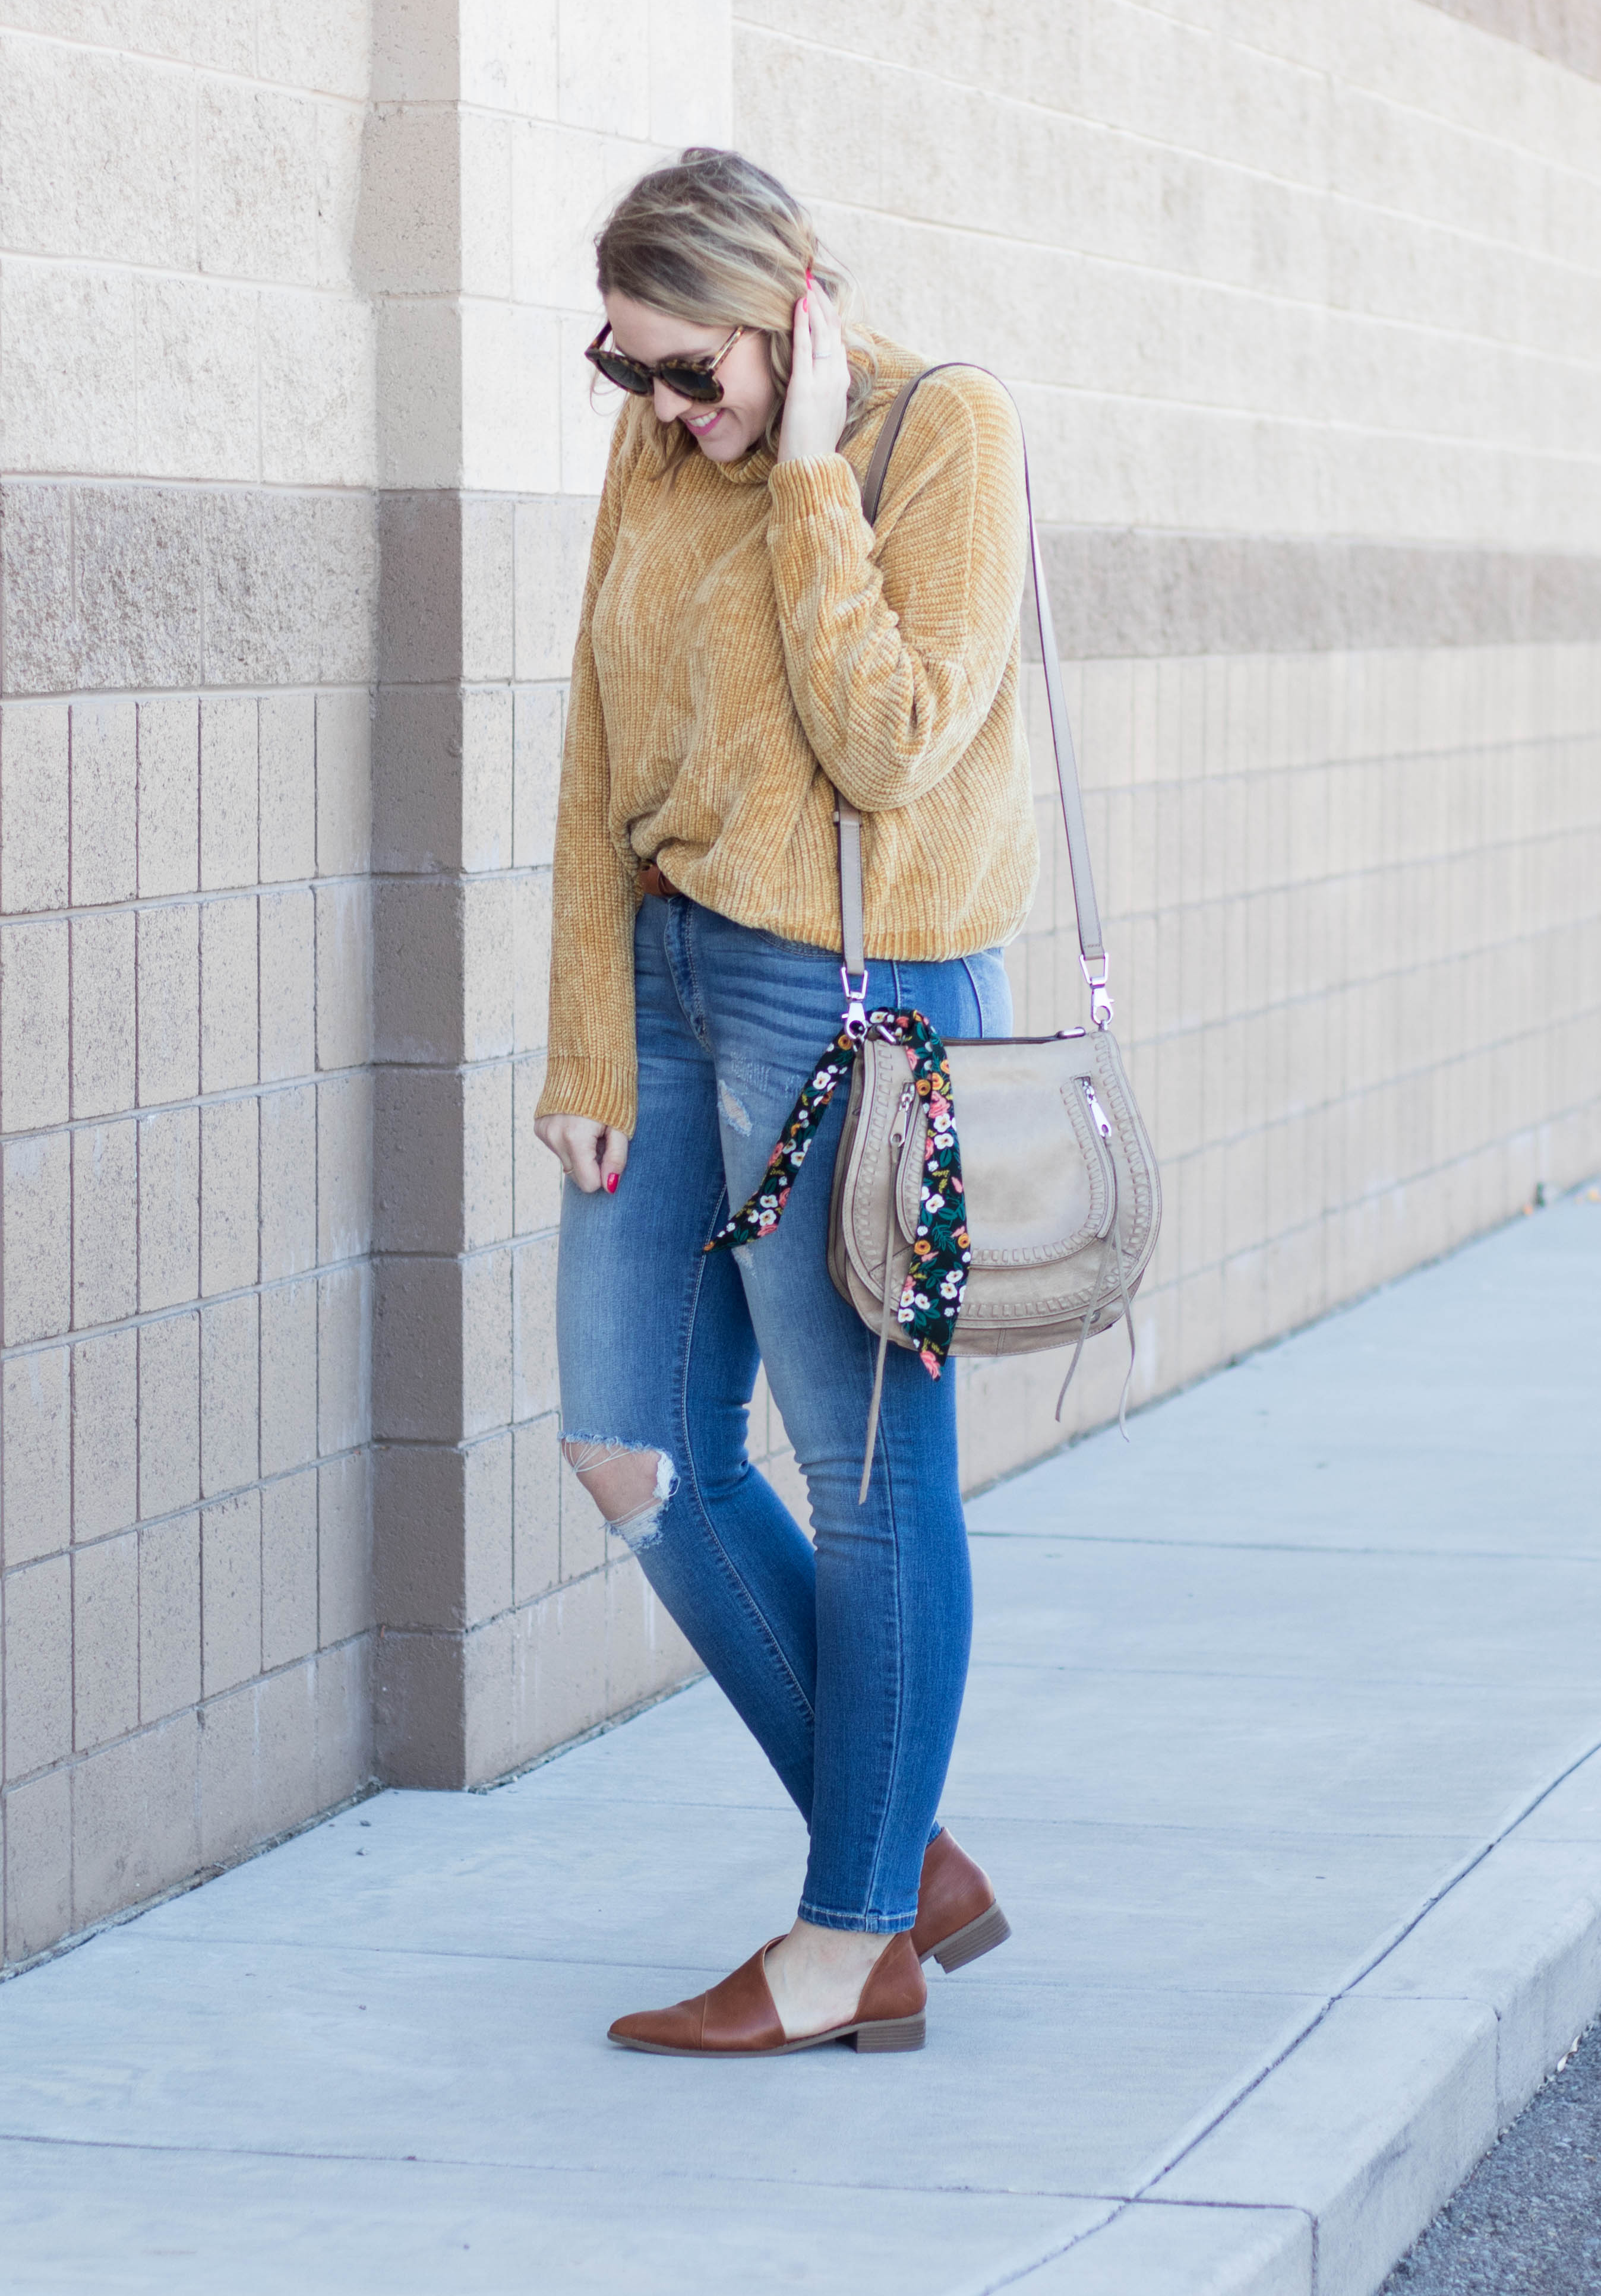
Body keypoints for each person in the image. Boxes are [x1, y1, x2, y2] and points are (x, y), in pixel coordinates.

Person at [535, 147, 1038, 2058]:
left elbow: (895, 740)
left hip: (857, 998)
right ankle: (905, 1858)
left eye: (700, 371)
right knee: (629, 1443)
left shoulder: (944, 433)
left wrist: (811, 461)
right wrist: (587, 1030)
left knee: (864, 1466)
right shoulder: (656, 457)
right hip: (664, 987)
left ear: (801, 304)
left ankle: (851, 1940)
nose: (671, 409)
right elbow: (595, 736)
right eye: (632, 371)